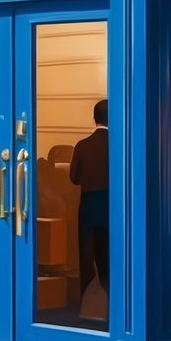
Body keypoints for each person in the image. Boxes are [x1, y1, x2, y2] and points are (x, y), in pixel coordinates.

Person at [70, 99, 109, 296]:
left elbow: (74, 179)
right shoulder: (120, 146)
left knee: (86, 255)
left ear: (94, 119)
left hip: (88, 205)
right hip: (112, 206)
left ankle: (86, 301)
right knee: (109, 254)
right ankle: (112, 299)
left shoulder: (82, 145)